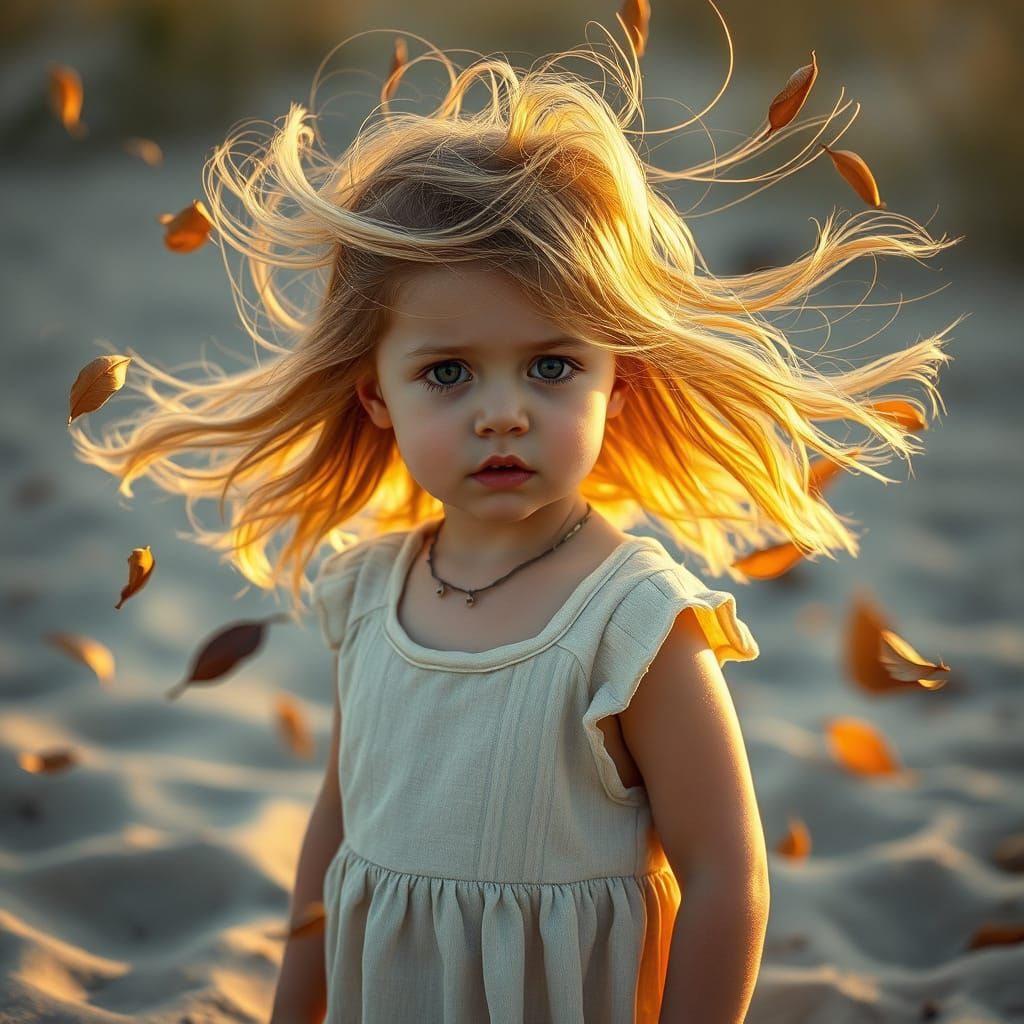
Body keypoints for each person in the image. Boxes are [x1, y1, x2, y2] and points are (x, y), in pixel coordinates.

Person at [69, 17, 960, 1024]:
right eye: (447, 372)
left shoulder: (634, 625)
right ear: (375, 398)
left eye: (551, 364)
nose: (503, 409)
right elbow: (337, 823)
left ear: (615, 381)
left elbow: (725, 876)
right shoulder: (367, 591)